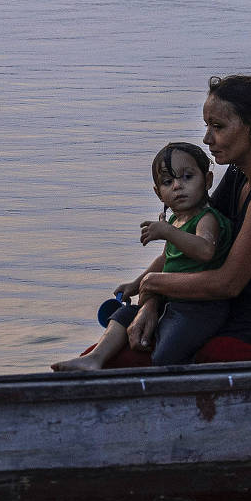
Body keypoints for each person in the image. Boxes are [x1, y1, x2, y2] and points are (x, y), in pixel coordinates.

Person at [54, 75, 251, 369]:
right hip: (211, 319)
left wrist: (151, 284)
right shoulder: (239, 175)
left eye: (218, 127)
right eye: (207, 126)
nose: (207, 138)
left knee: (132, 365)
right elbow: (187, 243)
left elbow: (228, 283)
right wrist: (149, 303)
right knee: (104, 351)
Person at [51, 143, 234, 372]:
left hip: (200, 307)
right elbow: (165, 260)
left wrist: (168, 232)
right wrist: (136, 284)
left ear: (207, 181)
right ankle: (95, 358)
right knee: (123, 315)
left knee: (166, 355)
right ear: (159, 193)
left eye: (187, 177)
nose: (178, 186)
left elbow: (205, 250)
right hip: (173, 302)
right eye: (168, 182)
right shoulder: (178, 222)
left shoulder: (206, 219)